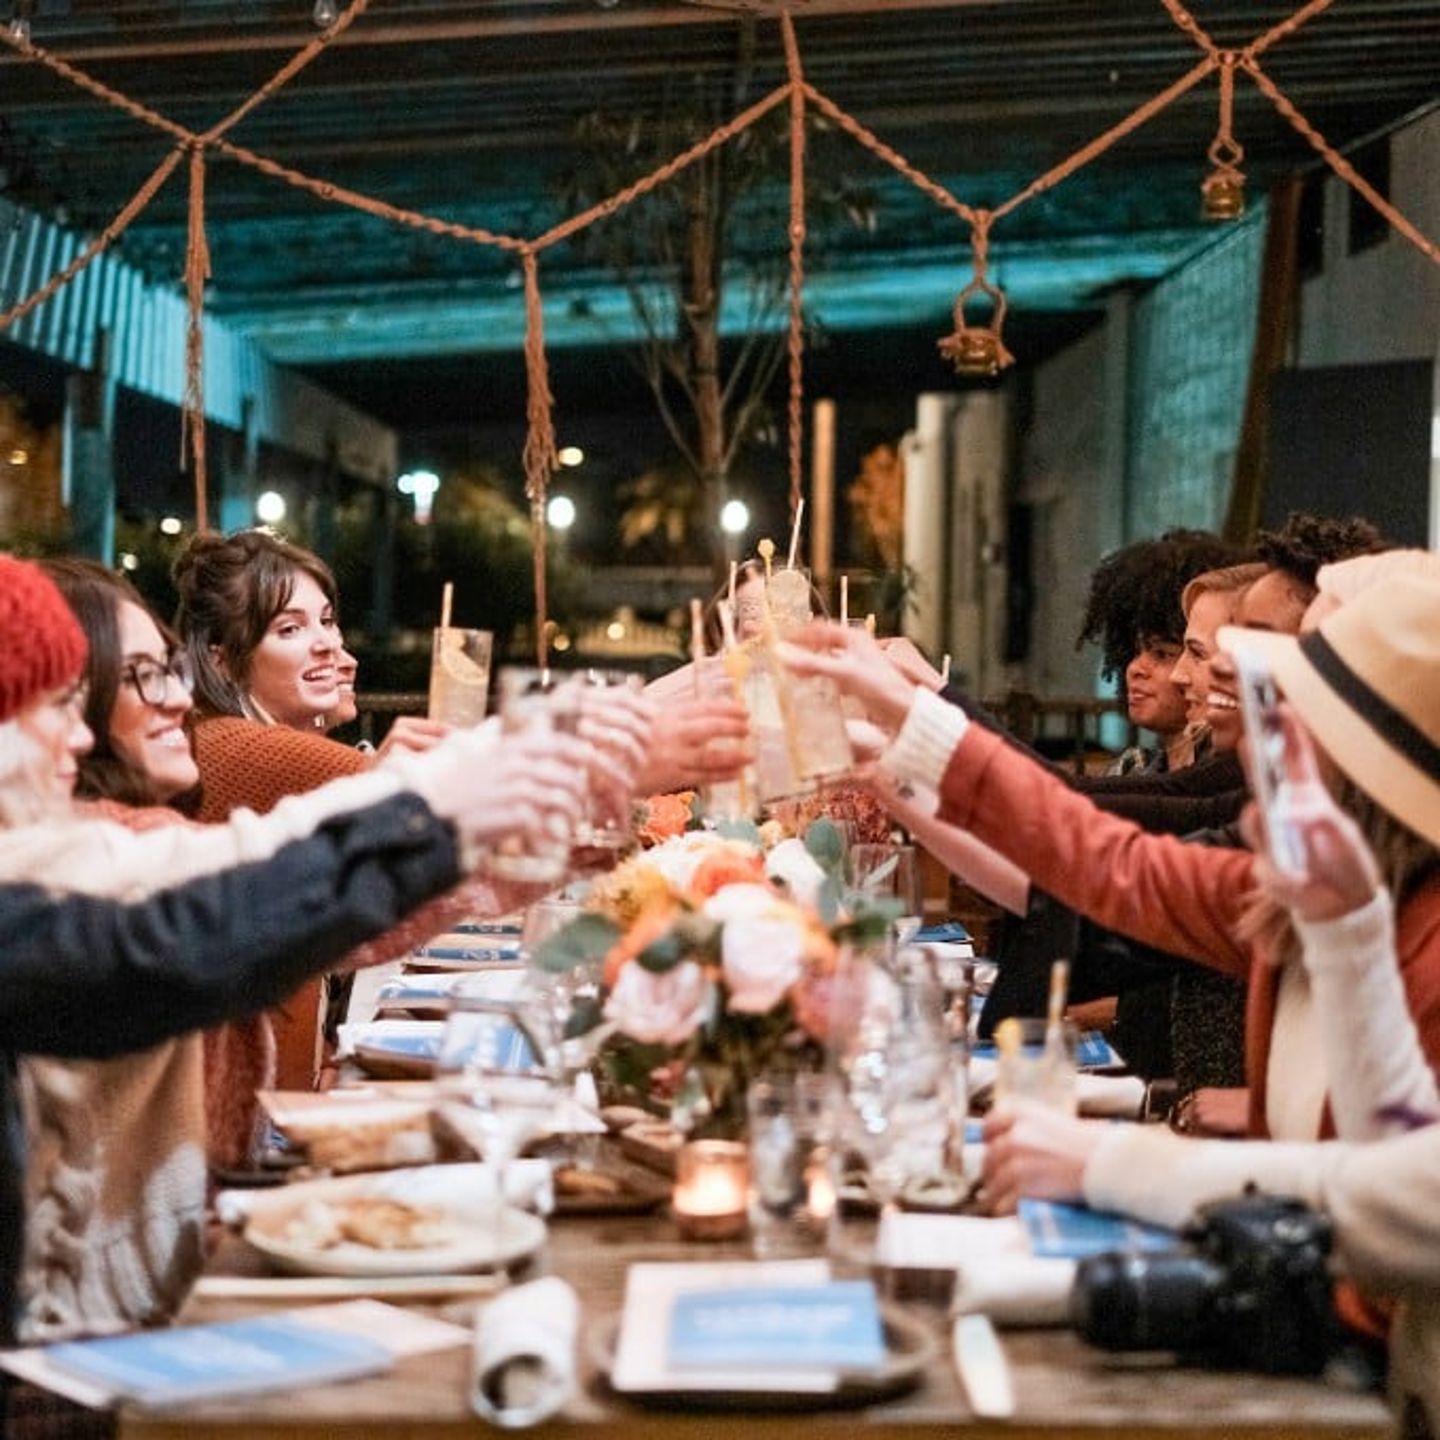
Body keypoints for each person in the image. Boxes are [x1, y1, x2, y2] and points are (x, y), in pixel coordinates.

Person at [0, 552, 600, 1341]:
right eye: (55, 701)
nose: (75, 731)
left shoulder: (93, 841)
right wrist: (458, 798)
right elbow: (225, 912)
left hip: (161, 1276)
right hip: (98, 1338)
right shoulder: (158, 802)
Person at [783, 573, 1440, 1150]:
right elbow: (1104, 862)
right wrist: (903, 739)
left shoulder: (1405, 940)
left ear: (1359, 757)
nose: (1222, 680)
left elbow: (1371, 1205)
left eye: (1287, 702)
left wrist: (1109, 1163)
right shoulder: (1312, 886)